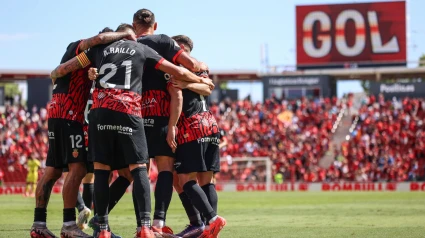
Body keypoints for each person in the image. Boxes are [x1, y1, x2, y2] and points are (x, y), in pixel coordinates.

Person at [50, 24, 213, 238]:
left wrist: (58, 73)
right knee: (139, 169)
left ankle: (102, 229)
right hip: (129, 111)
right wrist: (200, 80)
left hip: (98, 115)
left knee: (101, 171)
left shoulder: (98, 51)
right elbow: (180, 71)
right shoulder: (141, 49)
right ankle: (147, 226)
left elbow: (63, 70)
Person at [30, 28, 135, 238]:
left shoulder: (85, 60)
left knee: (52, 170)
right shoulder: (82, 48)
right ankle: (69, 225)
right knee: (77, 169)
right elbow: (61, 69)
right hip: (69, 115)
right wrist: (124, 34)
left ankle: (39, 224)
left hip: (60, 113)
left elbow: (58, 73)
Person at [170, 35, 226, 238]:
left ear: (182, 48)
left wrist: (185, 85)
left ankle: (209, 220)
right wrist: (191, 84)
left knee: (184, 179)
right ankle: (209, 230)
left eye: (173, 46)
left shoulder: (176, 68)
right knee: (206, 180)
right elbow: (207, 87)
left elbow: (204, 88)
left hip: (191, 126)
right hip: (210, 124)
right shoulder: (201, 66)